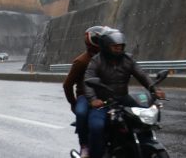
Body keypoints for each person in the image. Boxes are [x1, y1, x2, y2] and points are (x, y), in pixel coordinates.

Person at [84, 29, 166, 158]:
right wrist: (93, 99)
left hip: (123, 98)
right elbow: (87, 80)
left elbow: (142, 75)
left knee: (143, 119)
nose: (118, 49)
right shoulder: (97, 61)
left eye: (120, 46)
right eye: (115, 47)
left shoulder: (128, 59)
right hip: (103, 102)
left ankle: (142, 145)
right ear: (106, 47)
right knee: (97, 126)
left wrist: (154, 89)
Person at [62, 25, 108, 158]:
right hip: (84, 96)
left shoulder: (109, 58)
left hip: (105, 95)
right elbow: (67, 85)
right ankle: (84, 146)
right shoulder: (81, 61)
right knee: (81, 113)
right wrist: (73, 103)